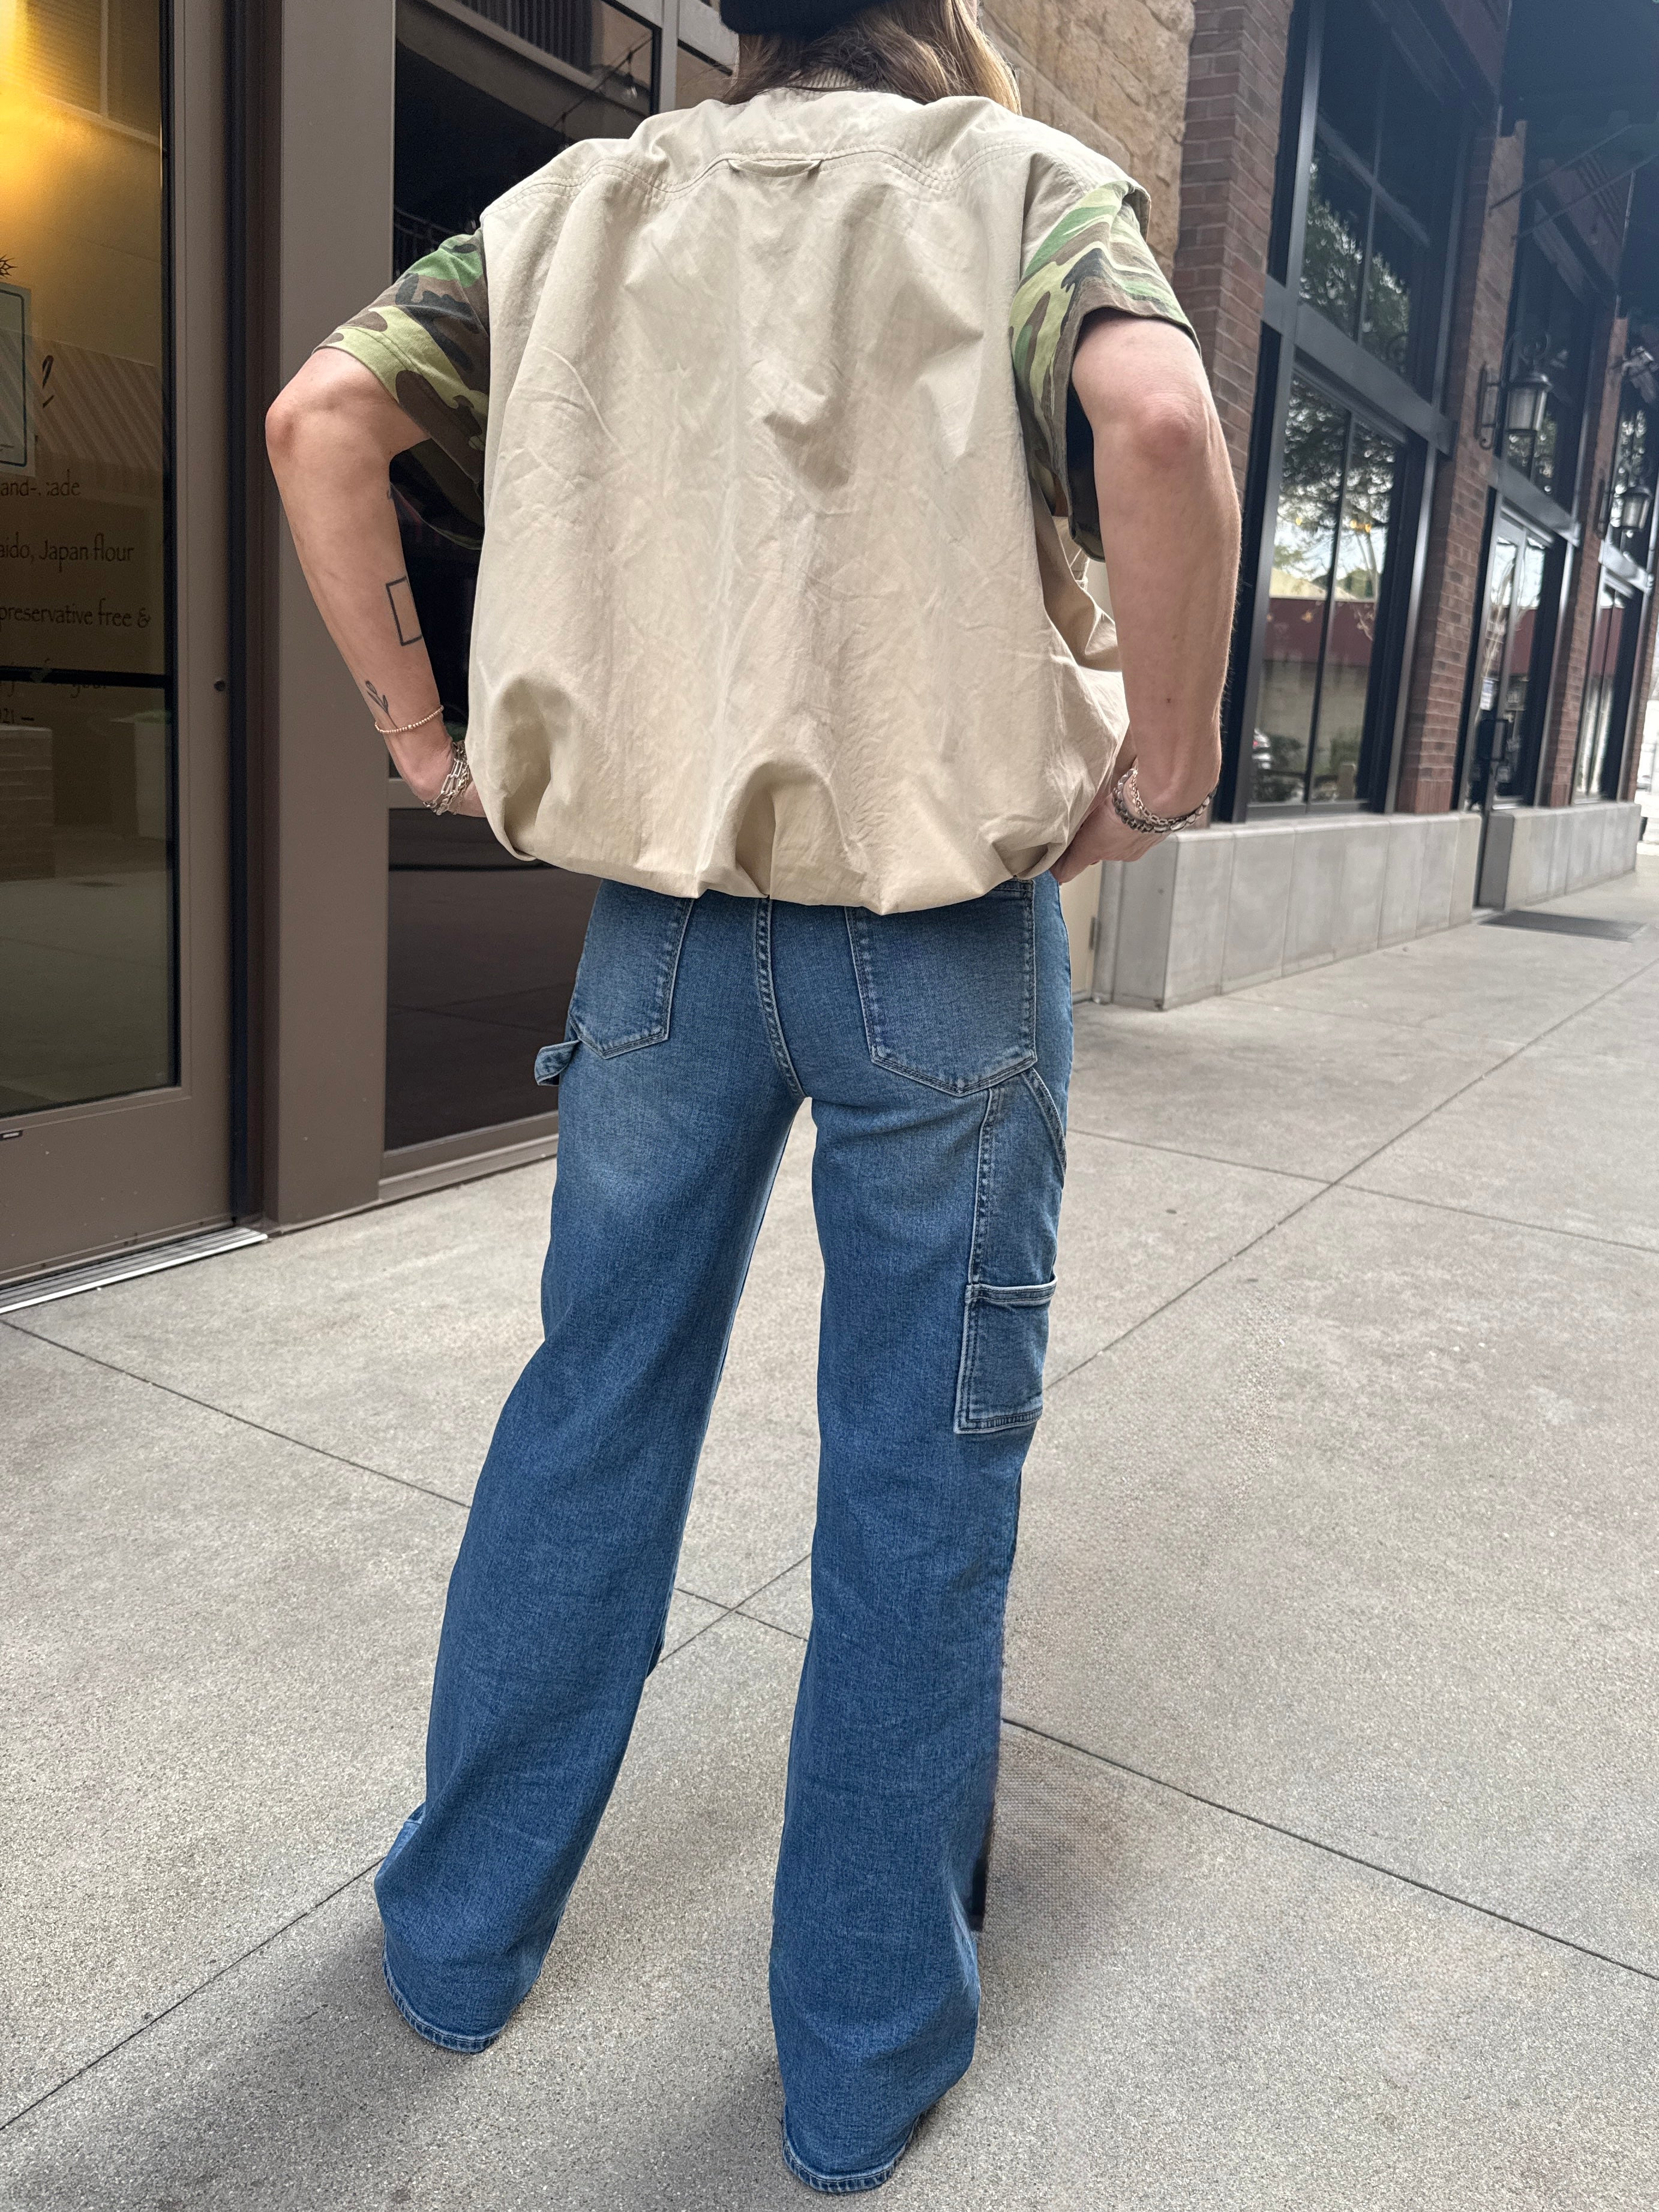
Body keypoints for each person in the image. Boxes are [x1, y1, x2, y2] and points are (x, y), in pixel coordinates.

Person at [266, 0, 1239, 2190]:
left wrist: (428, 749)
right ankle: (863, 2063)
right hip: (943, 946)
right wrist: (1162, 772)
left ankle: (454, 1942)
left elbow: (323, 417)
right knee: (916, 1474)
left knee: (591, 1405)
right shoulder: (1024, 193)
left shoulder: (571, 209)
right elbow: (1161, 420)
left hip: (664, 935)